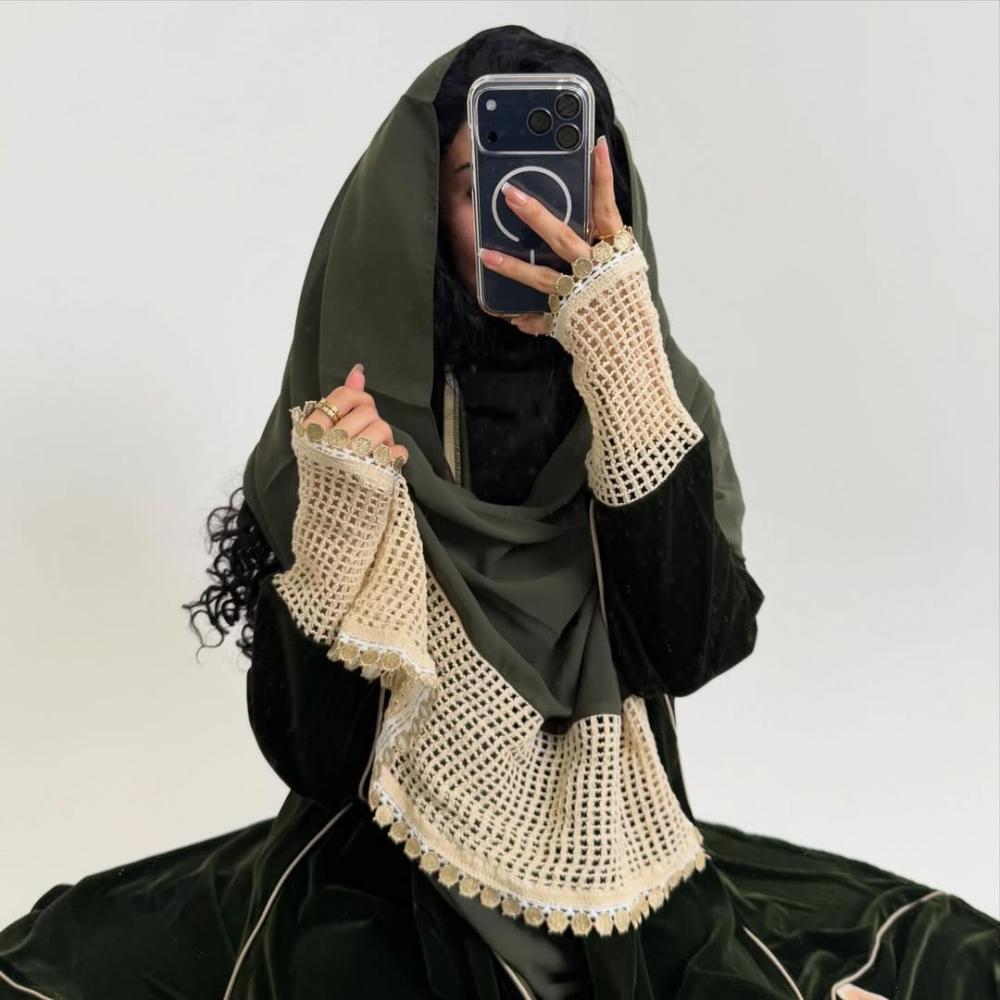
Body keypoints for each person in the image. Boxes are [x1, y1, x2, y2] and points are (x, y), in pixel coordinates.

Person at [1, 24, 997, 1000]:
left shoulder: (656, 393)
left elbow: (690, 648)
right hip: (378, 866)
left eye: (552, 184)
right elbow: (317, 757)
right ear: (420, 211)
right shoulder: (346, 404)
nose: (523, 214)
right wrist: (343, 529)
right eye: (479, 184)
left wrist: (622, 369)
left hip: (616, 851)